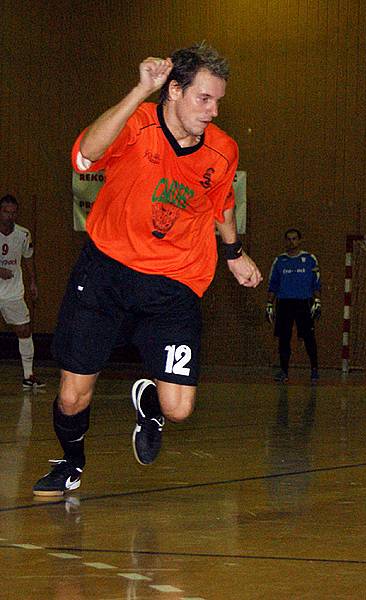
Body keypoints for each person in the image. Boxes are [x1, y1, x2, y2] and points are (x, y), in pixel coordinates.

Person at [33, 43, 262, 497]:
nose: (214, 111)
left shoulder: (223, 151)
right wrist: (140, 91)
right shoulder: (136, 125)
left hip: (174, 284)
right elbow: (83, 158)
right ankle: (71, 462)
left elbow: (222, 205)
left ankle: (149, 401)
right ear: (174, 90)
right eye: (205, 99)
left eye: (219, 101)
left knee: (179, 408)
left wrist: (234, 255)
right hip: (106, 274)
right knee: (72, 394)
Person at [266, 228, 321, 384]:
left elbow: (316, 282)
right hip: (284, 303)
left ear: (300, 240)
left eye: (294, 238)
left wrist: (317, 301)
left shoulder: (310, 259)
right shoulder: (279, 261)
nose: (292, 242)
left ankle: (314, 370)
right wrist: (269, 303)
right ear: (285, 241)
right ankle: (284, 371)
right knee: (284, 339)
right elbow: (273, 285)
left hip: (304, 303)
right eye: (288, 239)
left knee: (309, 337)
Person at [0, 194, 44, 389]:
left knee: (24, 330)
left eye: (13, 212)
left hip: (12, 292)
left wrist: (33, 282)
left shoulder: (23, 234)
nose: (9, 216)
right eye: (5, 212)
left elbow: (28, 258)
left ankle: (29, 375)